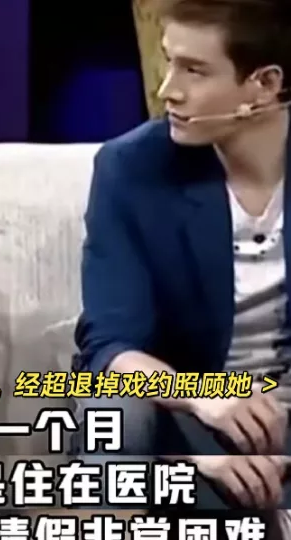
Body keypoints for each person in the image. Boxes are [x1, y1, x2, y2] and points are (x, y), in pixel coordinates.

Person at [75, 0, 291, 509]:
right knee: (116, 412)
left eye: (194, 70)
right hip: (179, 410)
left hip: (279, 412)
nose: (167, 89)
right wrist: (206, 406)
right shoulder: (132, 168)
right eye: (170, 62)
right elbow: (110, 346)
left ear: (264, 84)